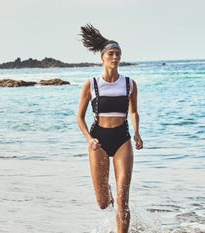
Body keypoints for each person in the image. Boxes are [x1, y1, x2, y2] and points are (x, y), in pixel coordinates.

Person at [77, 24, 143, 233]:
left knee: (123, 197)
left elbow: (133, 112)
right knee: (103, 202)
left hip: (122, 138)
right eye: (111, 54)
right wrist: (89, 138)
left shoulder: (129, 84)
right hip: (99, 141)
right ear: (103, 57)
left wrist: (137, 133)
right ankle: (110, 201)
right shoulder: (92, 84)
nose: (115, 58)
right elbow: (79, 117)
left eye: (118, 54)